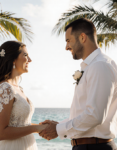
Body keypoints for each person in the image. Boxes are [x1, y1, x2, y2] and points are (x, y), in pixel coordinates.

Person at [39, 18, 117, 150]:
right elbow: (84, 113)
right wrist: (58, 126)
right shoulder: (91, 66)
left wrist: (58, 129)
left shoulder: (100, 65)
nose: (66, 47)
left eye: (68, 41)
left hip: (95, 147)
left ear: (82, 38)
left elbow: (94, 115)